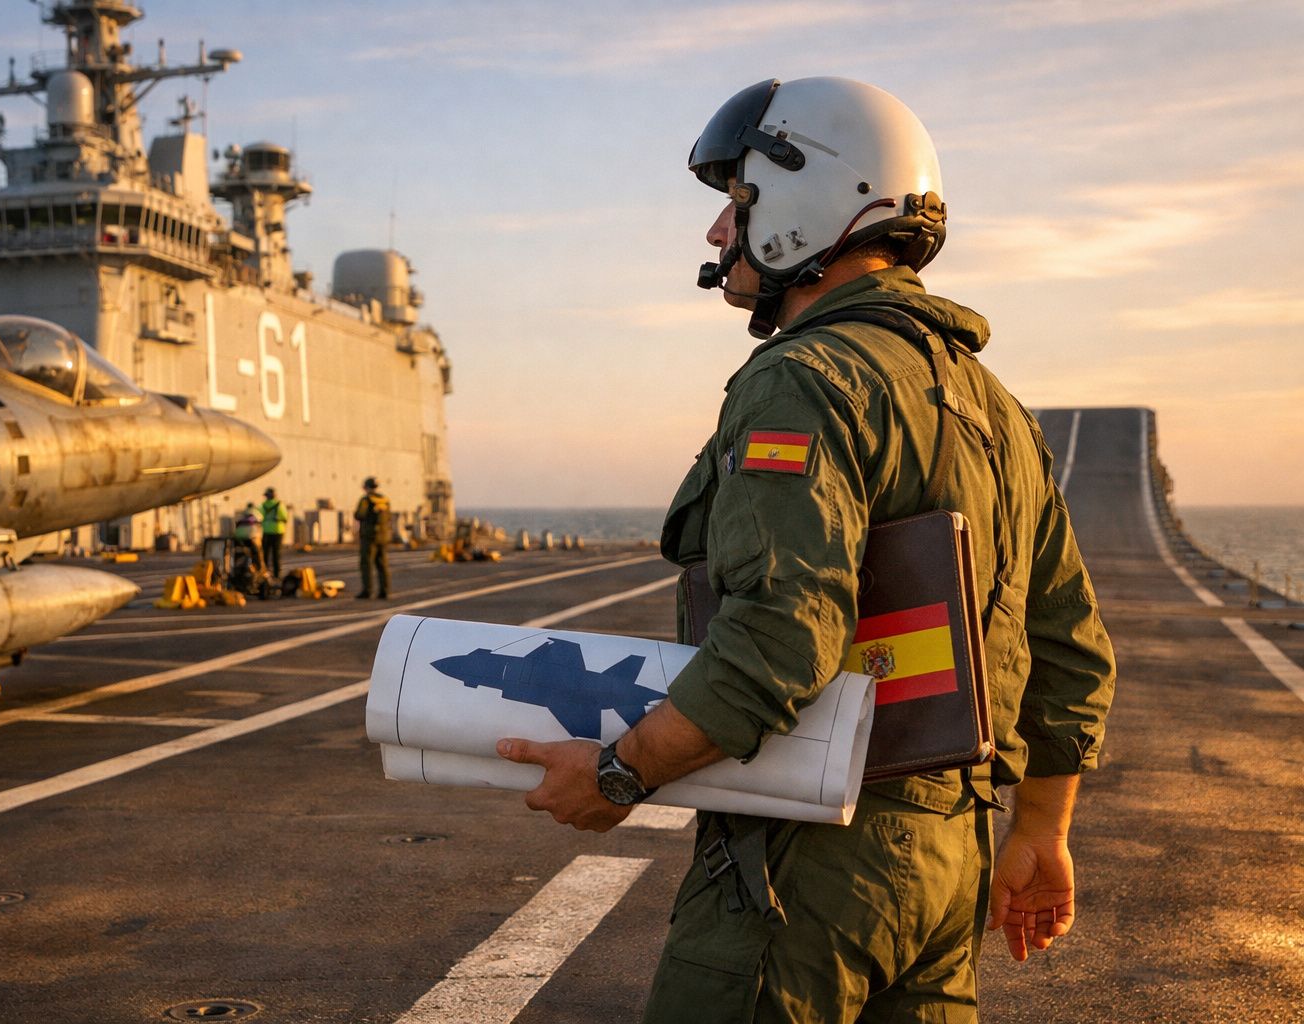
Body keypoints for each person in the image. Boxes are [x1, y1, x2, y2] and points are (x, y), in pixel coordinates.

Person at [495, 77, 1116, 1022]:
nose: (716, 235)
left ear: (806, 201)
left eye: (734, 204)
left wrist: (618, 774)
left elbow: (783, 636)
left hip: (806, 861)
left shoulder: (803, 380)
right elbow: (1067, 647)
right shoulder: (1001, 412)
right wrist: (1040, 830)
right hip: (949, 865)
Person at [354, 477, 392, 599]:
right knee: (382, 564)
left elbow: (359, 514)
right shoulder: (385, 500)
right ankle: (384, 591)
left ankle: (368, 590)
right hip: (383, 536)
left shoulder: (366, 500)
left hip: (369, 537)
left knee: (366, 564)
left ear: (367, 487)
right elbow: (389, 516)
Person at [260, 487, 288, 577]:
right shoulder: (279, 505)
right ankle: (277, 574)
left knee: (265, 554)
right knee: (276, 554)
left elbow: (259, 517)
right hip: (278, 531)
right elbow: (285, 517)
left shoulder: (263, 505)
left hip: (266, 532)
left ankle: (265, 573)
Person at [232, 501, 262, 574]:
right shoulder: (256, 512)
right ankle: (258, 568)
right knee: (255, 551)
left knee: (239, 550)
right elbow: (260, 522)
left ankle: (236, 566)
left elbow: (236, 523)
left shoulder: (242, 513)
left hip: (238, 535)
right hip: (249, 535)